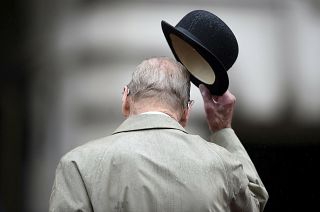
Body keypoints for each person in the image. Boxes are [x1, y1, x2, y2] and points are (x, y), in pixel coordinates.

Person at [49, 57, 268, 212]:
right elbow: (254, 202)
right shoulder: (222, 164)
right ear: (186, 112)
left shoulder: (77, 165)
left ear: (125, 99)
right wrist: (222, 129)